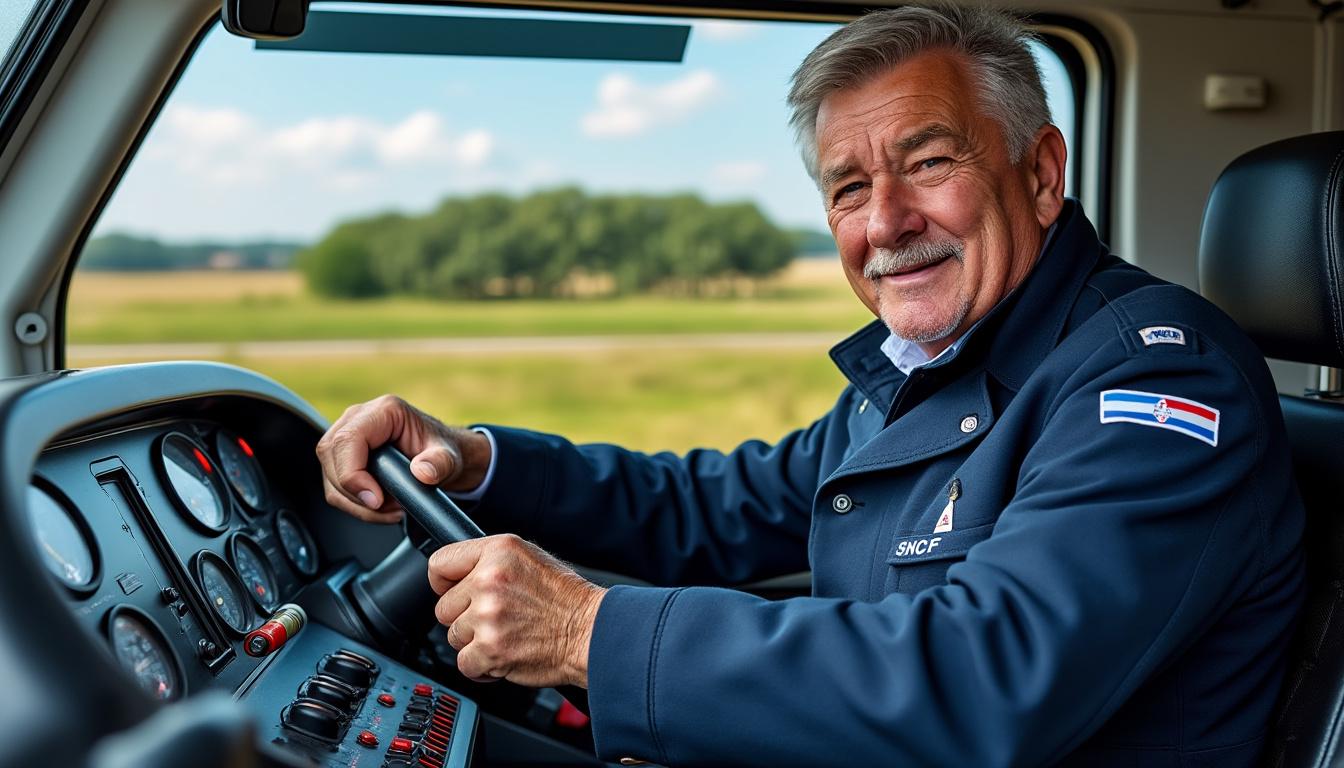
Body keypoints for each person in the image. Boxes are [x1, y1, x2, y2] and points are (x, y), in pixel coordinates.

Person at [316, 4, 1304, 766]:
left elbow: (986, 679)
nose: (886, 222)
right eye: (849, 189)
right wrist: (480, 462)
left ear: (1042, 174)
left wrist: (586, 633)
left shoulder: (1159, 376)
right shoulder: (929, 369)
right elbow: (709, 508)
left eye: (929, 162)